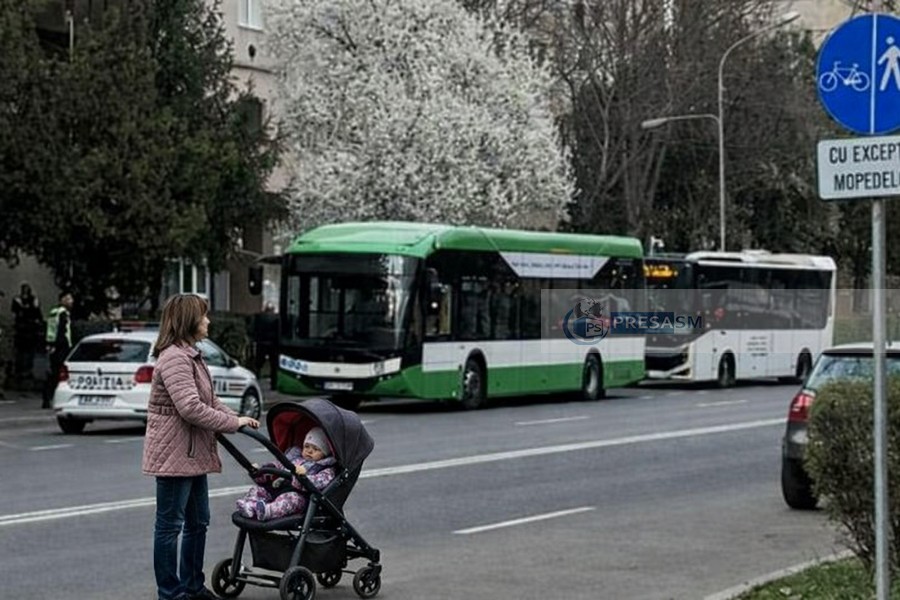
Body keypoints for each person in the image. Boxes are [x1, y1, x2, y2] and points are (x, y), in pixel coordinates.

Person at [142, 293, 260, 600]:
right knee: (170, 527)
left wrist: (237, 418)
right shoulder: (174, 358)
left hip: (192, 452)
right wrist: (231, 424)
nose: (208, 321)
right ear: (188, 321)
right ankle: (170, 593)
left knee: (198, 522)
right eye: (203, 316)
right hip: (174, 454)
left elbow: (209, 401)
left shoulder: (192, 355)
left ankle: (193, 587)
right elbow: (191, 408)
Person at [235, 426, 337, 521]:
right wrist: (260, 471)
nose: (309, 451)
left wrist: (303, 477)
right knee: (258, 490)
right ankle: (250, 506)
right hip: (277, 489)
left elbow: (320, 482)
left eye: (316, 449)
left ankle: (267, 511)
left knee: (291, 499)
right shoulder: (294, 458)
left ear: (325, 453)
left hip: (300, 496)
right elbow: (278, 466)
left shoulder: (324, 468)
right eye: (307, 446)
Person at [42, 291, 73, 408]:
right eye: (69, 299)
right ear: (63, 300)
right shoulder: (63, 314)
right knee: (60, 374)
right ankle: (57, 398)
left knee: (53, 373)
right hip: (62, 347)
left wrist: (50, 344)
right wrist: (63, 345)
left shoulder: (53, 312)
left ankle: (46, 398)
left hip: (52, 346)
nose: (71, 301)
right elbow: (62, 331)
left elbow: (50, 329)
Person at [11, 282, 43, 380]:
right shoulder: (17, 300)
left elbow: (37, 313)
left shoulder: (33, 300)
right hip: (21, 329)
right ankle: (19, 371)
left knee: (29, 351)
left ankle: (27, 371)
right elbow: (14, 311)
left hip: (30, 329)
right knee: (20, 351)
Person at [251, 302, 279, 389]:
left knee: (258, 364)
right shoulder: (277, 318)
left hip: (261, 343)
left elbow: (254, 329)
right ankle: (273, 385)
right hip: (273, 344)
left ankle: (256, 381)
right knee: (274, 365)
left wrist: (255, 339)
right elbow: (278, 332)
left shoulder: (259, 317)